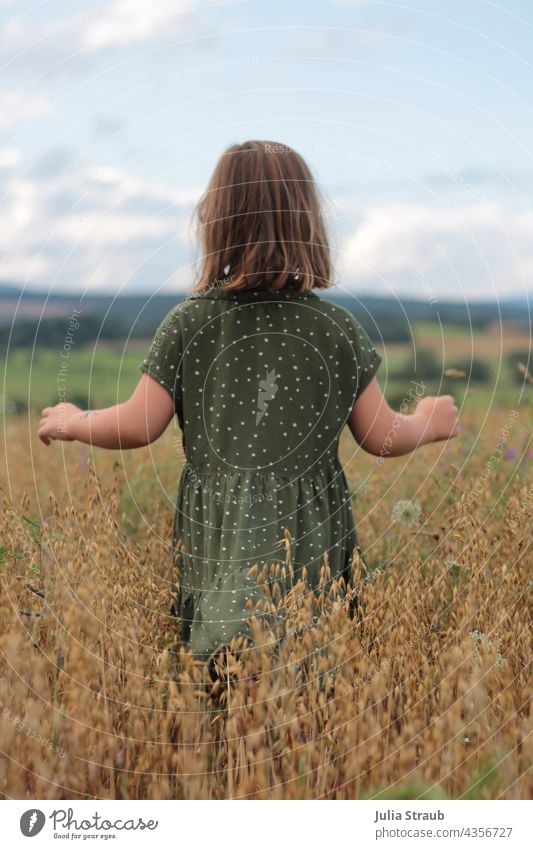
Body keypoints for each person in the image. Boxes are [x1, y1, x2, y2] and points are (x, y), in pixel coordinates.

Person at [38, 139, 459, 666]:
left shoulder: (189, 324)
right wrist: (428, 421)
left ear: (217, 224)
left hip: (222, 523)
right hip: (306, 527)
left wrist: (77, 420)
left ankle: (226, 734)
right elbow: (382, 437)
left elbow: (139, 423)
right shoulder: (335, 328)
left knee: (224, 651)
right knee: (307, 656)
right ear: (307, 224)